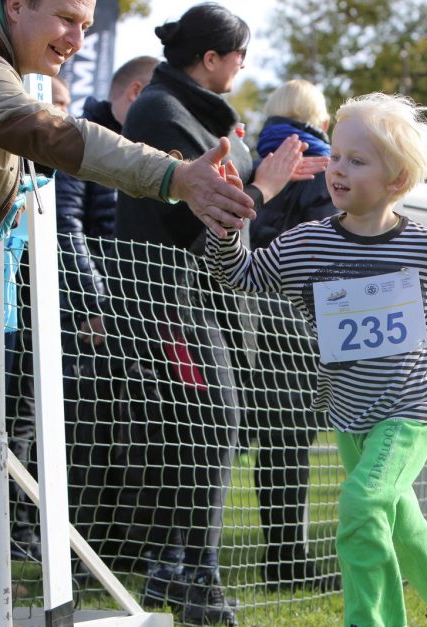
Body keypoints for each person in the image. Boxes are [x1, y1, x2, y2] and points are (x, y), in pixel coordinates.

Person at [0, 0, 256, 621]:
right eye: (65, 18)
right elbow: (56, 135)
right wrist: (174, 177)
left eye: (87, 27)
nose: (76, 38)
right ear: (15, 6)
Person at [205, 92, 427, 627]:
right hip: (348, 413)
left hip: (407, 410)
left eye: (357, 160)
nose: (337, 169)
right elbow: (238, 275)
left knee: (360, 509)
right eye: (336, 155)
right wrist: (228, 227)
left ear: (397, 179)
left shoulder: (424, 248)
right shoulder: (307, 244)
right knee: (396, 517)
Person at [113, 4, 319, 622]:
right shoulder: (161, 112)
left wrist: (260, 172)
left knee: (199, 434)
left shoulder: (185, 112)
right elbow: (201, 216)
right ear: (210, 60)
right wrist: (267, 187)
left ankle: (174, 571)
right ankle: (194, 577)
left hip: (199, 302)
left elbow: (217, 193)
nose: (244, 67)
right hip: (171, 305)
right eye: (240, 56)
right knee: (213, 427)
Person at [53, 55, 158, 568]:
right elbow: (66, 224)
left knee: (132, 430)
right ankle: (81, 551)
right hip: (88, 314)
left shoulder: (145, 144)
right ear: (136, 93)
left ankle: (122, 548)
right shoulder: (81, 135)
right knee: (88, 435)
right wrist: (95, 302)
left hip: (134, 310)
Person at [244, 79, 342, 592]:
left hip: (248, 315)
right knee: (291, 446)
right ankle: (289, 561)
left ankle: (280, 559)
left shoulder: (254, 160)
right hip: (301, 323)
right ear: (320, 121)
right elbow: (330, 247)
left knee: (268, 446)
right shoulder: (325, 170)